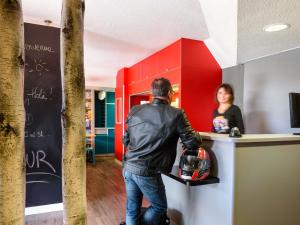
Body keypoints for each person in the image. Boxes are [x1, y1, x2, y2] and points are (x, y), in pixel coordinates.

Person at [122, 78, 201, 225]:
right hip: (147, 170)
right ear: (170, 93)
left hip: (128, 166)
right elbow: (192, 142)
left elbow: (125, 139)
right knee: (159, 207)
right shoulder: (176, 114)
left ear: (152, 93)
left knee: (132, 208)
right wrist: (197, 135)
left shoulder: (135, 110)